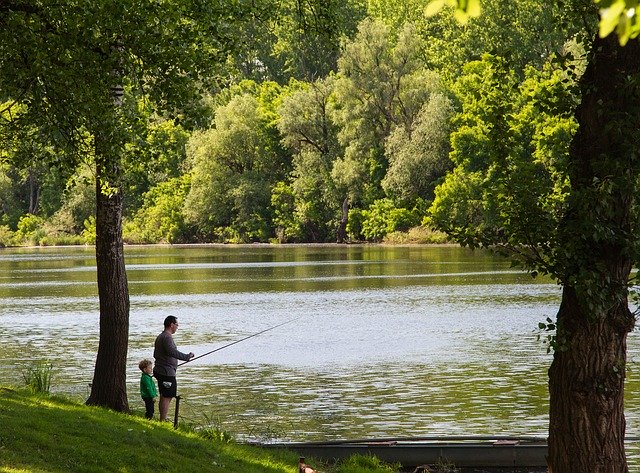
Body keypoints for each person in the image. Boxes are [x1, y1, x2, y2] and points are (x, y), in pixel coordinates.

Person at [153, 315, 194, 421]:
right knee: (167, 396)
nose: (177, 327)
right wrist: (186, 357)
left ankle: (163, 418)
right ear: (171, 325)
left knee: (164, 395)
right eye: (176, 325)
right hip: (166, 372)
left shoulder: (161, 336)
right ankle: (163, 419)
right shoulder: (167, 337)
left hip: (162, 370)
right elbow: (172, 352)